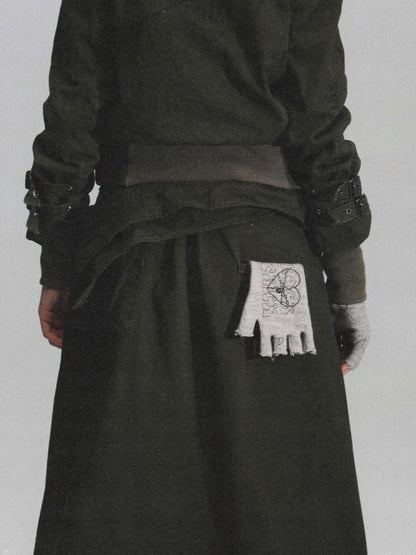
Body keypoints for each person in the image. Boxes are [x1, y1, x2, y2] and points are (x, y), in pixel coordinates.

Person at [25, 1, 371, 553]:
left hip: (129, 258)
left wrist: (59, 265)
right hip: (269, 263)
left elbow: (72, 109)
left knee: (117, 510)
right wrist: (348, 281)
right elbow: (318, 116)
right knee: (285, 511)